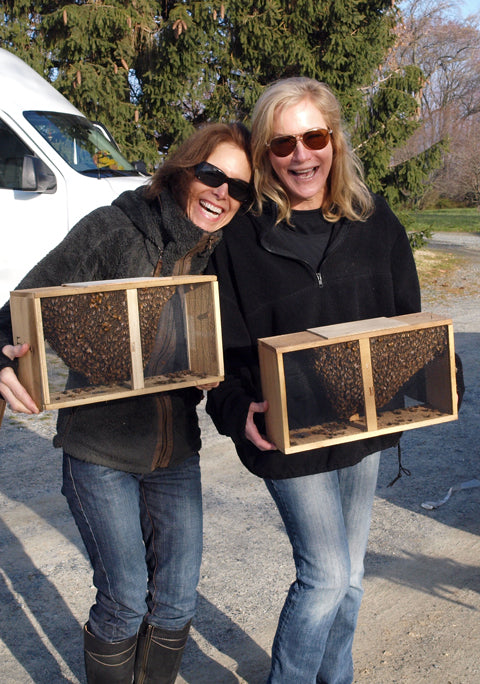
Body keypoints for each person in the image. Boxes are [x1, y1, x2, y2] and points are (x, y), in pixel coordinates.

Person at [0, 122, 252, 684]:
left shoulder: (222, 253)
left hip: (176, 453)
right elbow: (19, 311)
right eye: (213, 175)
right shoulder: (113, 229)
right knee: (125, 602)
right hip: (100, 453)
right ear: (184, 169)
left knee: (177, 605)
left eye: (240, 188)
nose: (223, 193)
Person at [205, 77, 421, 684]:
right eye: (282, 144)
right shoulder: (240, 238)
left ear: (335, 140)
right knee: (325, 575)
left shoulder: (376, 223)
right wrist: (236, 409)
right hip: (286, 436)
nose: (301, 155)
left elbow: (409, 324)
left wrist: (434, 375)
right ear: (265, 153)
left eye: (314, 136)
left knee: (350, 579)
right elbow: (218, 348)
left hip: (362, 429)